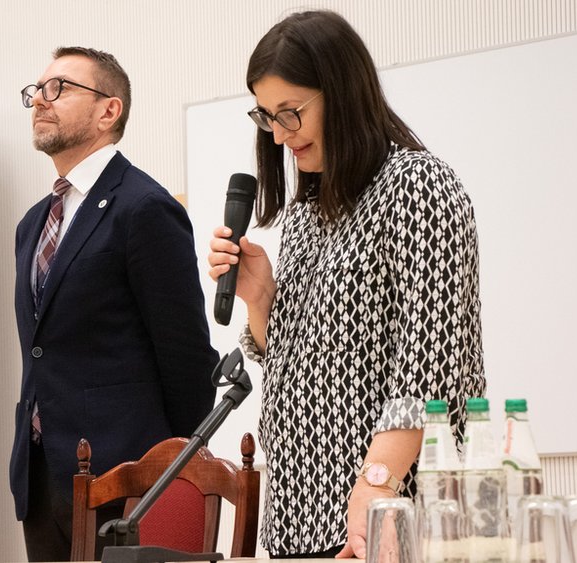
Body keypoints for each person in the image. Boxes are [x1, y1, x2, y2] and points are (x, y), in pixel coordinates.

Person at [206, 11, 485, 559]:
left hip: (385, 518)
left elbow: (431, 368)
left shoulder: (418, 186)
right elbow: (294, 362)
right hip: (300, 518)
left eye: (291, 112)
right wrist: (261, 300)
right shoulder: (309, 211)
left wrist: (377, 488)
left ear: (343, 92)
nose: (279, 134)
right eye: (267, 117)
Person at [10, 47, 220, 561]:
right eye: (36, 90)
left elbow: (187, 356)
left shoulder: (144, 207)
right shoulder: (33, 223)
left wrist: (165, 468)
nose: (41, 100)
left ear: (109, 110)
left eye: (59, 88)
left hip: (126, 480)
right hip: (43, 477)